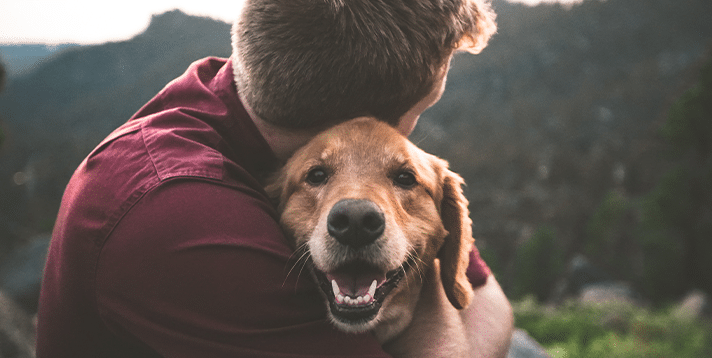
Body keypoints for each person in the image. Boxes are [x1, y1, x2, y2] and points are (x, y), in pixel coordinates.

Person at [36, 0, 512, 357]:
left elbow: (491, 303)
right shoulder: (178, 216)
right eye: (421, 110)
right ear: (359, 121)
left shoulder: (241, 96)